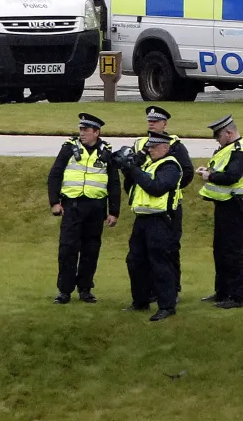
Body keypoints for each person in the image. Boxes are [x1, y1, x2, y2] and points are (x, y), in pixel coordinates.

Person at [46, 112, 120, 304]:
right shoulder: (69, 148)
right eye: (81, 129)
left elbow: (114, 183)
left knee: (91, 250)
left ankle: (85, 289)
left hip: (96, 208)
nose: (82, 133)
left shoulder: (106, 151)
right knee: (67, 249)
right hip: (73, 206)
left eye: (86, 130)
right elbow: (55, 175)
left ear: (97, 132)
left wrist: (113, 211)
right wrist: (54, 202)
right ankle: (64, 290)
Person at [133, 106, 193, 298]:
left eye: (156, 121)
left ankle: (172, 289)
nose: (151, 123)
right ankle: (150, 290)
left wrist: (170, 188)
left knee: (169, 249)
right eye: (149, 120)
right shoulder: (140, 143)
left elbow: (187, 172)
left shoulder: (174, 145)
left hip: (169, 207)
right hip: (146, 206)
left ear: (165, 124)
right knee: (144, 253)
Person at [122, 130, 182, 321]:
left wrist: (135, 170)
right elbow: (131, 188)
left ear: (165, 147)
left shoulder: (171, 166)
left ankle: (167, 305)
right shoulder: (149, 164)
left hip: (160, 220)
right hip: (142, 219)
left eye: (154, 147)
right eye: (149, 147)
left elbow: (156, 188)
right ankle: (140, 301)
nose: (150, 150)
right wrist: (128, 169)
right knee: (135, 260)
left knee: (160, 262)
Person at [197, 114, 243, 309]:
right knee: (220, 250)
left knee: (233, 252)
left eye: (218, 136)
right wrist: (210, 171)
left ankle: (236, 296)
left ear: (229, 133)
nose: (217, 140)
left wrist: (209, 176)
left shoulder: (241, 151)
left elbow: (232, 176)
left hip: (235, 205)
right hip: (224, 204)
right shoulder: (231, 148)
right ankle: (222, 291)